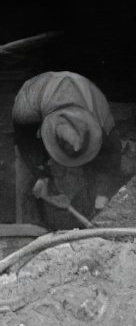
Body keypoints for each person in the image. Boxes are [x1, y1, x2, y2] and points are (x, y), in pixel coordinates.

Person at [11, 71, 121, 230]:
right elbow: (25, 146)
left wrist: (103, 196)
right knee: (28, 186)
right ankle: (37, 230)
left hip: (81, 100)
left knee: (92, 188)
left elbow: (112, 157)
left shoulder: (102, 119)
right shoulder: (26, 109)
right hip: (36, 109)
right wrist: (40, 176)